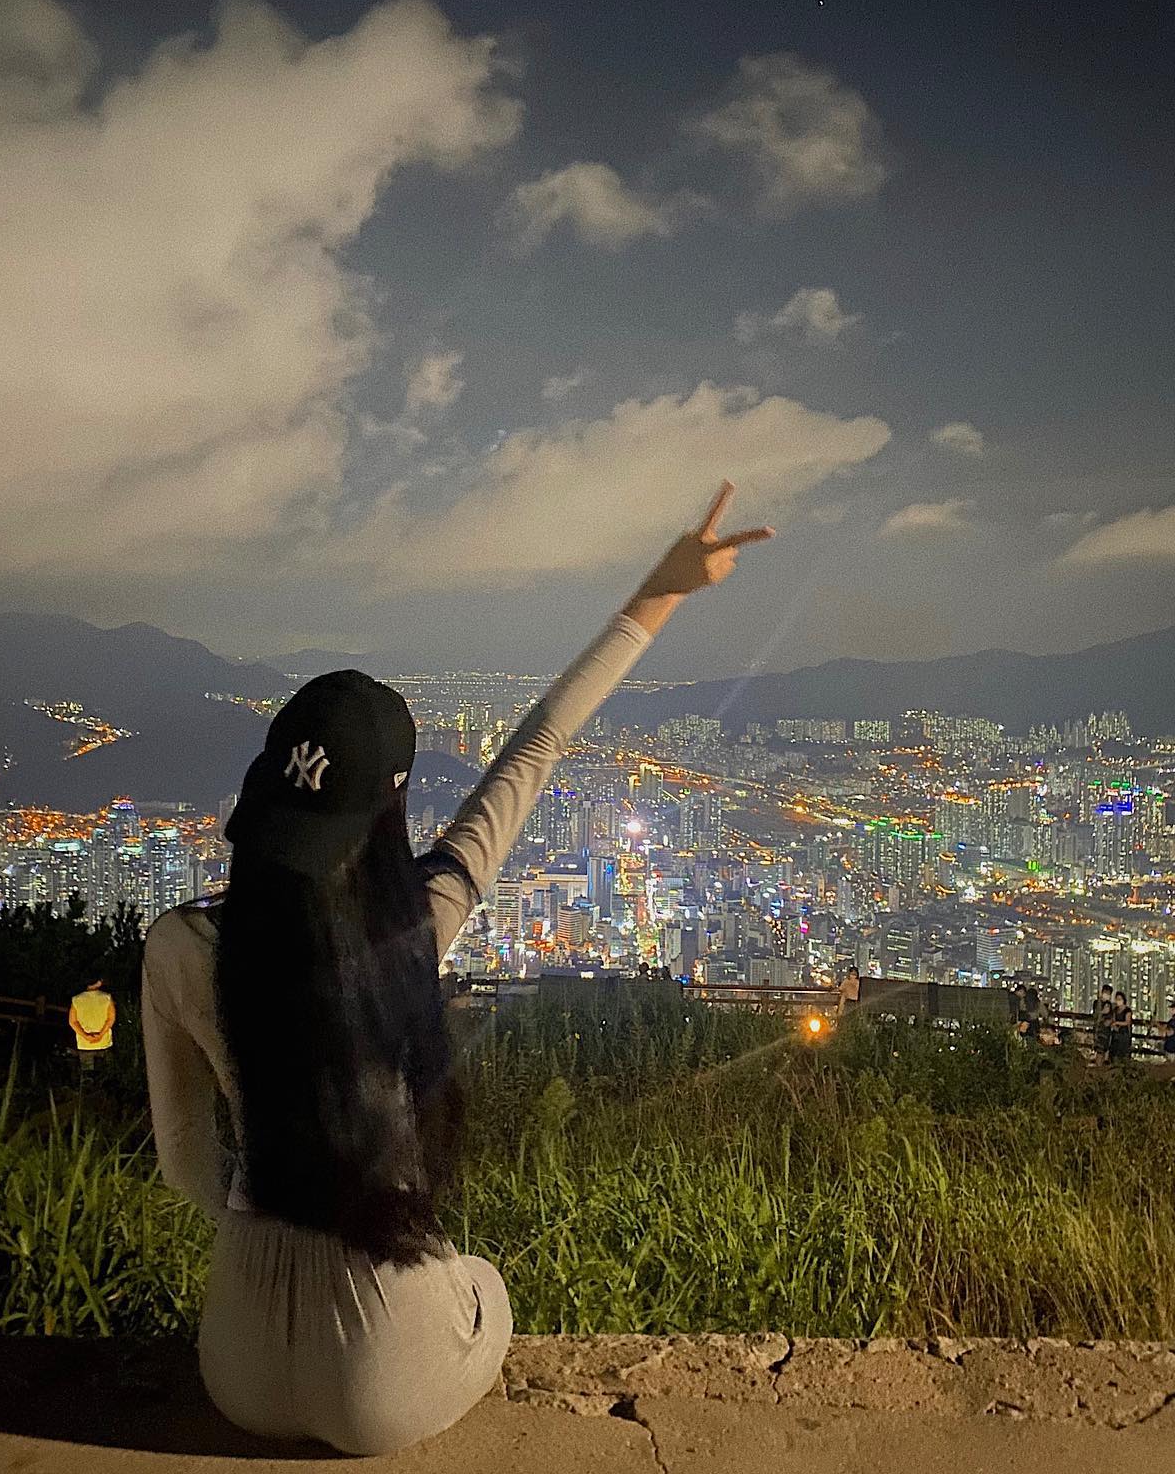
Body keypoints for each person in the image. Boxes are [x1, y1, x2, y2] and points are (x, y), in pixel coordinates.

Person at [141, 482, 773, 1457]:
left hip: (237, 1368)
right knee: (484, 1285)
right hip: (382, 1386)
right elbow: (537, 748)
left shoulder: (179, 948)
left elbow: (186, 1163)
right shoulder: (412, 929)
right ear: (389, 813)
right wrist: (661, 591)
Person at [68, 979, 116, 1076]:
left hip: (84, 1044)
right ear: (98, 982)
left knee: (87, 1075)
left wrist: (85, 1036)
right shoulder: (106, 997)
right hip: (104, 1042)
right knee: (107, 1074)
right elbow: (111, 1019)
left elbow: (73, 1022)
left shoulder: (76, 999)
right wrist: (100, 1035)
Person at [1108, 989, 1133, 1063]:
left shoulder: (1127, 1010)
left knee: (1123, 1052)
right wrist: (1114, 1025)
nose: (1118, 1001)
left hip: (1124, 1034)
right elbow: (1113, 1019)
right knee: (1114, 1052)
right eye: (1117, 999)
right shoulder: (1115, 1010)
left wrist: (1117, 1023)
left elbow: (1127, 1022)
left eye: (1119, 999)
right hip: (1116, 1033)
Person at [1092, 983, 1114, 1060]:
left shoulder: (1109, 1004)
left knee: (1105, 1047)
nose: (1106, 995)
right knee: (1099, 1048)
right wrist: (1102, 1012)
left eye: (1108, 993)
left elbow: (1111, 1015)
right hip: (1098, 1028)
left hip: (1106, 1029)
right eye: (1105, 992)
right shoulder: (1097, 1003)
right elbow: (1095, 1015)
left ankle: (1103, 1061)